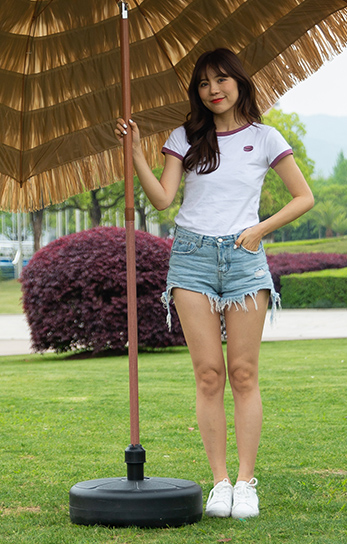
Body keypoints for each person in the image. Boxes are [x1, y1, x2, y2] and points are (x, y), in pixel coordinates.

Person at [115, 48, 313, 520]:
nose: (214, 90)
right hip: (191, 259)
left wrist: (260, 230)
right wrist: (135, 153)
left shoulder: (266, 138)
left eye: (221, 79)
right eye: (204, 84)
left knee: (243, 373)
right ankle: (219, 481)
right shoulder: (183, 137)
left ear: (240, 82)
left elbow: (304, 197)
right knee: (208, 375)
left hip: (245, 260)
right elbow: (163, 199)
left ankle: (247, 482)